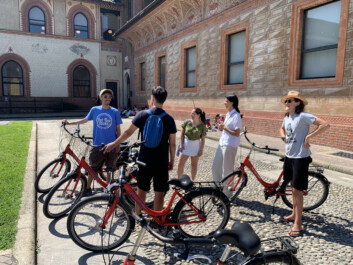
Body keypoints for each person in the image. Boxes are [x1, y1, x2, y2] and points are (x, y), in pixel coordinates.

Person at [104, 86, 176, 215]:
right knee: (159, 192)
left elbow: (127, 132)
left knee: (141, 189)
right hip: (161, 160)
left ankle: (138, 215)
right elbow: (173, 144)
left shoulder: (142, 114)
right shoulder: (169, 119)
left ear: (152, 98)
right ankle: (156, 219)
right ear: (164, 100)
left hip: (144, 159)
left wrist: (114, 143)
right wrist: (172, 160)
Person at [279, 91, 329, 237]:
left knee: (297, 190)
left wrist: (308, 137)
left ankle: (298, 224)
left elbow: (325, 124)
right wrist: (283, 138)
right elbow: (281, 128)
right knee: (292, 187)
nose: (286, 103)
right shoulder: (287, 117)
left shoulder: (303, 116)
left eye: (289, 101)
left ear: (297, 103)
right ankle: (294, 214)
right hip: (289, 156)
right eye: (285, 101)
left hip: (300, 157)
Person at [63, 89, 122, 195]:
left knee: (110, 169)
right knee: (92, 168)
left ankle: (108, 189)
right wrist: (70, 123)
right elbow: (85, 120)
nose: (108, 99)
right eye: (105, 97)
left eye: (109, 97)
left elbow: (118, 129)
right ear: (100, 98)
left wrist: (117, 144)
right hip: (97, 144)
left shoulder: (115, 112)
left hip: (111, 144)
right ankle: (88, 188)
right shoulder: (95, 110)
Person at [212, 94, 242, 198]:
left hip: (230, 145)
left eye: (226, 101)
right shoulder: (228, 114)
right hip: (222, 143)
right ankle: (218, 190)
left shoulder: (236, 115)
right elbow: (227, 129)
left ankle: (227, 195)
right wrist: (221, 128)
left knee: (227, 171)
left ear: (231, 102)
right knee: (215, 167)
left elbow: (237, 133)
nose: (224, 102)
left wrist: (224, 127)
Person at [176, 108, 207, 180]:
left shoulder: (202, 126)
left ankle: (192, 181)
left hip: (195, 147)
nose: (191, 115)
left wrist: (201, 149)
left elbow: (203, 139)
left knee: (194, 165)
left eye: (193, 113)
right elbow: (182, 134)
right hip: (185, 146)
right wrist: (181, 144)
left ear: (199, 115)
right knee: (180, 165)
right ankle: (179, 181)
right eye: (191, 113)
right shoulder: (187, 122)